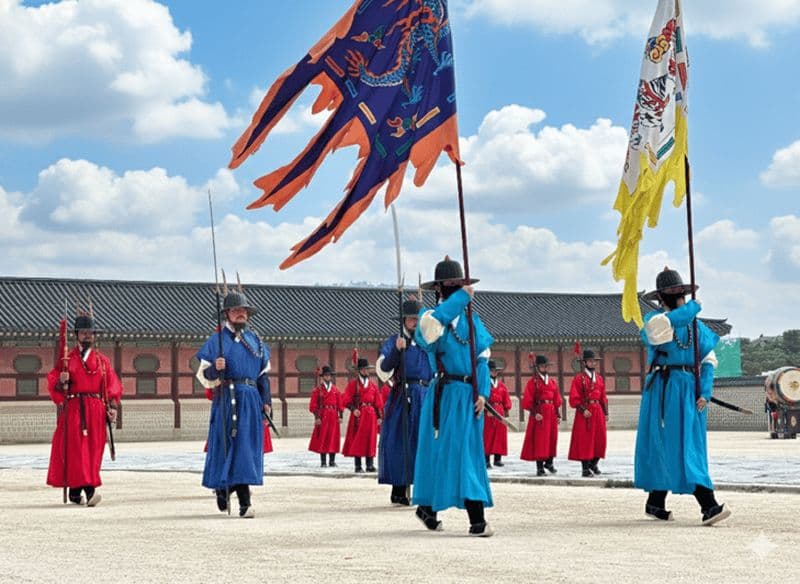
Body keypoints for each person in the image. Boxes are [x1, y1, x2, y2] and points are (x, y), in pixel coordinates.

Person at [635, 267, 731, 525]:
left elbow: (709, 360)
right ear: (663, 298)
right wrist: (691, 310)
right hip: (666, 389)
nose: (679, 297)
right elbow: (660, 331)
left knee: (688, 443)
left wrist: (706, 391)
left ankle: (656, 502)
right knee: (676, 443)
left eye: (681, 293)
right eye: (675, 294)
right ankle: (708, 505)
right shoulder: (655, 319)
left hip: (690, 389)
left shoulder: (696, 326)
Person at [413, 256, 494, 537]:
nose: (454, 288)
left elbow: (482, 359)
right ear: (440, 289)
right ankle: (438, 508)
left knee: (468, 453)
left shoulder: (473, 322)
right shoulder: (429, 319)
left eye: (458, 284)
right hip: (445, 395)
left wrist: (483, 392)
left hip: (469, 395)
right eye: (449, 285)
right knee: (443, 451)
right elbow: (429, 335)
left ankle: (463, 515)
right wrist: (459, 300)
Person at [195, 288, 272, 518]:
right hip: (228, 397)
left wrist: (266, 401)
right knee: (230, 445)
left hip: (250, 398)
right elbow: (203, 374)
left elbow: (263, 375)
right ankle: (238, 498)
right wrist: (214, 369)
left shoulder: (255, 340)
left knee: (246, 449)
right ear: (227, 313)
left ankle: (229, 491)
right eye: (236, 310)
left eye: (244, 311)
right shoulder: (217, 340)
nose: (241, 314)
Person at [46, 312, 122, 506]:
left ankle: (74, 491)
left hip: (96, 409)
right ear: (77, 335)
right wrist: (61, 381)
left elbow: (112, 386)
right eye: (83, 332)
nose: (87, 336)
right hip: (74, 408)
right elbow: (54, 380)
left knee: (94, 450)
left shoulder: (103, 361)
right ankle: (89, 491)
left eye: (90, 332)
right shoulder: (66, 359)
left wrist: (112, 407)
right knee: (77, 450)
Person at [377, 296, 433, 506]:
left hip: (425, 395)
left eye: (417, 319)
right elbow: (384, 370)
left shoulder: (428, 342)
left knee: (423, 441)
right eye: (410, 319)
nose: (414, 323)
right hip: (404, 395)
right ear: (403, 321)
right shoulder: (395, 341)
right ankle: (399, 489)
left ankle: (421, 489)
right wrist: (396, 350)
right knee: (401, 441)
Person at [567, 348, 608, 477]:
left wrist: (606, 412)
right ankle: (585, 468)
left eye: (594, 361)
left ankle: (593, 463)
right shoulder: (579, 379)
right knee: (585, 440)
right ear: (584, 362)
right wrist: (582, 409)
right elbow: (574, 397)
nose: (593, 363)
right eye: (590, 361)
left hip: (598, 410)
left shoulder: (599, 379)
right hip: (585, 411)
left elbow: (603, 396)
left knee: (600, 439)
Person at [520, 355, 562, 475]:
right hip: (540, 412)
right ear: (538, 367)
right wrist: (534, 413)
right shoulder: (533, 382)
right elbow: (528, 400)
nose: (545, 368)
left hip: (551, 412)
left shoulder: (552, 382)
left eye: (546, 366)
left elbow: (556, 399)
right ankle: (540, 467)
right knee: (540, 440)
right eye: (542, 366)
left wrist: (558, 414)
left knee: (552, 438)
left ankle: (549, 462)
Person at [342, 358, 382, 472]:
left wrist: (379, 416)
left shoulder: (373, 386)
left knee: (371, 439)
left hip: (371, 415)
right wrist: (353, 409)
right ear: (359, 370)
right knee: (357, 439)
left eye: (367, 369)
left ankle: (370, 464)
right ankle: (358, 465)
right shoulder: (353, 385)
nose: (366, 371)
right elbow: (346, 399)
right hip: (359, 414)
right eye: (363, 369)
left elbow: (377, 402)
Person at [308, 365, 343, 467]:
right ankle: (323, 461)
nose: (328, 377)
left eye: (329, 375)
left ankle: (332, 461)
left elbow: (340, 404)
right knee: (323, 437)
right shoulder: (317, 390)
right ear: (322, 377)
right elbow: (313, 405)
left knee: (333, 437)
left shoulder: (336, 390)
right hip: (323, 415)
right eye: (326, 375)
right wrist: (317, 417)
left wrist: (340, 416)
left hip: (333, 415)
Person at [483, 360, 512, 469]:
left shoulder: (501, 385)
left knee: (499, 436)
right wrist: (486, 411)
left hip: (499, 410)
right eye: (492, 370)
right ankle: (486, 460)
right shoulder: (485, 384)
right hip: (489, 411)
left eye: (496, 371)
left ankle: (497, 459)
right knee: (487, 436)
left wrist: (506, 410)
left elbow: (506, 399)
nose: (494, 372)